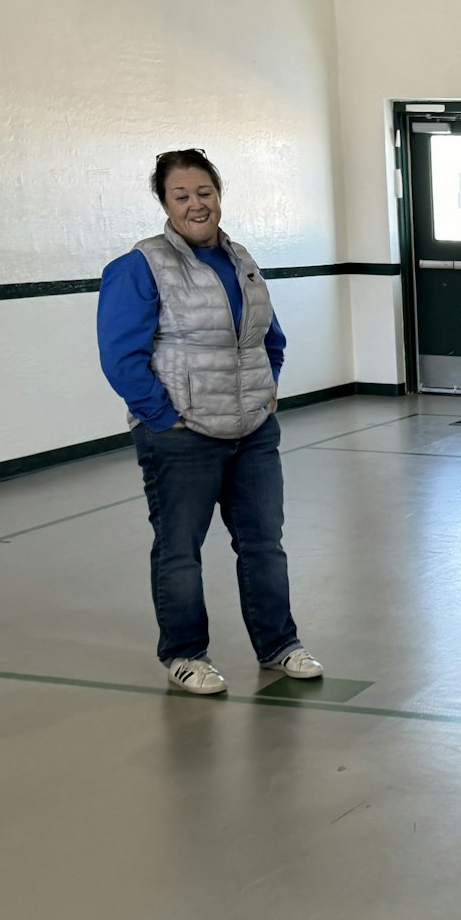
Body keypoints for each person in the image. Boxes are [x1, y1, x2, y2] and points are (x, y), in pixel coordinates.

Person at [96, 150, 322, 695]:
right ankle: (184, 653)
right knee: (179, 549)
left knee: (264, 542)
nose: (196, 204)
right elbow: (119, 355)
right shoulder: (141, 266)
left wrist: (265, 392)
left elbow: (270, 336)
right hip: (181, 436)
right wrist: (163, 418)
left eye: (204, 192)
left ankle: (278, 645)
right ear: (165, 203)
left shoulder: (240, 257)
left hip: (253, 431)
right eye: (182, 196)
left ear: (218, 194)